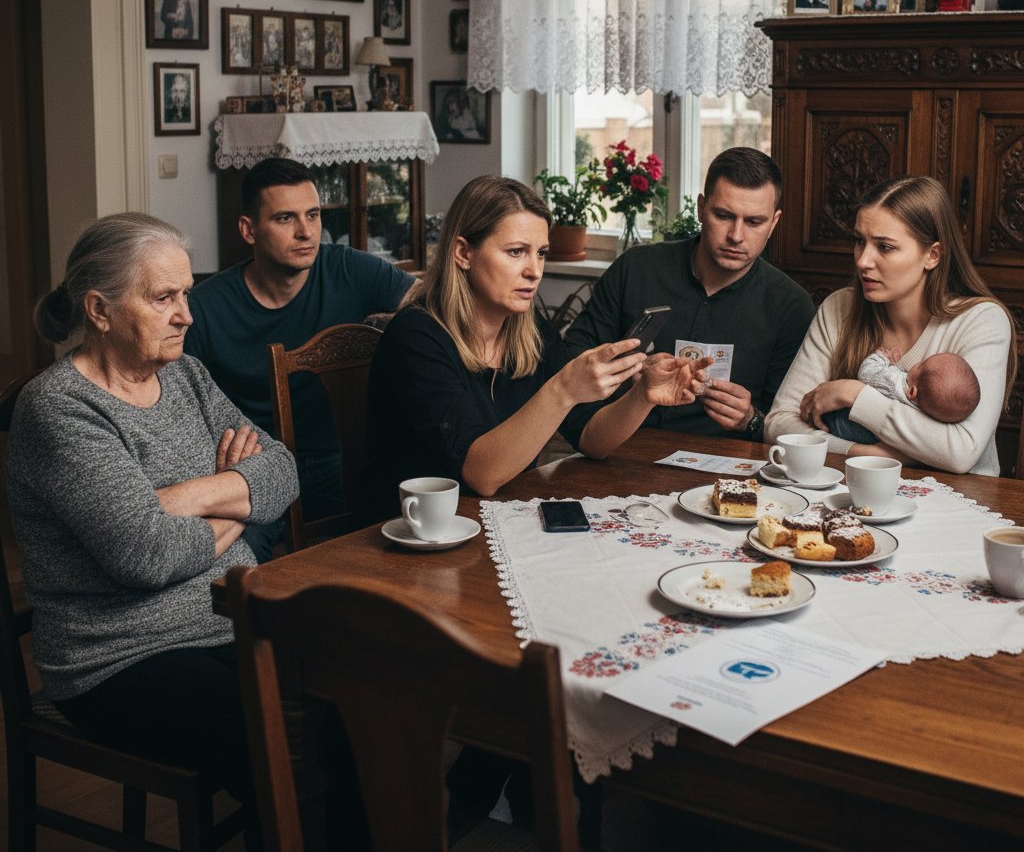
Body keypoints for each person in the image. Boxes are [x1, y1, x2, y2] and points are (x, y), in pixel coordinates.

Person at [5, 213, 297, 848]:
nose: (186, 315)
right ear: (99, 310)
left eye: (186, 294)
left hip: (228, 619)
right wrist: (237, 498)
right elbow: (147, 555)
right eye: (164, 297)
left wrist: (176, 499)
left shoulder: (186, 376)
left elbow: (282, 473)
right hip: (118, 656)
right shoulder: (59, 408)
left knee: (352, 693)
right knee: (271, 739)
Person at [361, 176, 711, 516]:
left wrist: (642, 396)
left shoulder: (528, 330)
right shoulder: (417, 336)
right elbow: (481, 475)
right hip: (408, 534)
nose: (534, 271)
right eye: (516, 252)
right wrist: (563, 389)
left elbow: (591, 439)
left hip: (493, 518)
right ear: (463, 253)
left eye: (541, 253)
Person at [184, 158, 413, 559]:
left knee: (410, 539)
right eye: (285, 218)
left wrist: (394, 329)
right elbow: (176, 403)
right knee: (233, 561)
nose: (306, 231)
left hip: (344, 461)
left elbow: (430, 306)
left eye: (313, 215)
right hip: (257, 470)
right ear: (248, 230)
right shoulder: (204, 308)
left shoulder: (348, 268)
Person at [765, 176, 1016, 476]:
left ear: (932, 255)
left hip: (959, 498)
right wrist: (868, 454)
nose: (863, 261)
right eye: (860, 241)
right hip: (855, 492)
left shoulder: (981, 321)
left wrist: (854, 394)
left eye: (884, 247)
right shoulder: (839, 308)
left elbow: (960, 452)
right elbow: (778, 424)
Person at [563, 147, 814, 443]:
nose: (736, 236)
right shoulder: (636, 269)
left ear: (773, 223)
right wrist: (624, 375)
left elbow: (791, 424)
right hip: (619, 446)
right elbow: (571, 359)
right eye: (723, 215)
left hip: (726, 460)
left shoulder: (791, 306)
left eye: (754, 222)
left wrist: (751, 419)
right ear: (701, 208)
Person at [822, 349, 981, 443]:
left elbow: (867, 373)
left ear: (912, 392)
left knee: (830, 419)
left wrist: (881, 357)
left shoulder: (895, 383)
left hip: (844, 422)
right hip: (882, 439)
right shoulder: (926, 412)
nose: (918, 362)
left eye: (922, 365)